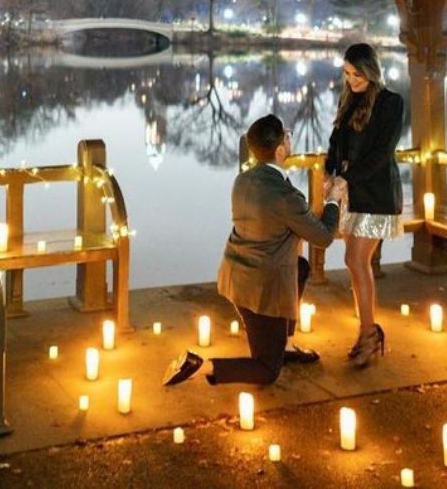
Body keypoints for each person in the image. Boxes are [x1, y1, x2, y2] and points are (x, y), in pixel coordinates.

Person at [164, 113, 345, 387]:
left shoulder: (244, 180)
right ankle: (200, 365)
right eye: (287, 133)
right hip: (263, 291)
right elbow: (322, 237)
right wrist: (332, 200)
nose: (289, 136)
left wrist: (305, 205)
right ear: (281, 149)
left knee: (301, 268)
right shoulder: (285, 196)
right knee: (267, 370)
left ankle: (283, 343)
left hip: (235, 276)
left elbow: (275, 216)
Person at [325, 42, 404, 367]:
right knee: (353, 260)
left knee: (357, 260)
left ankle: (369, 333)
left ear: (371, 71)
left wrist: (347, 179)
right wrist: (331, 172)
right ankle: (368, 330)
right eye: (347, 73)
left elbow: (382, 153)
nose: (352, 80)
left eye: (357, 74)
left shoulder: (391, 102)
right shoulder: (348, 100)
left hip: (377, 192)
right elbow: (335, 142)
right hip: (352, 192)